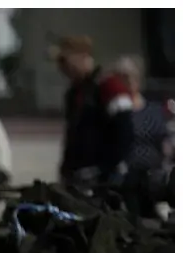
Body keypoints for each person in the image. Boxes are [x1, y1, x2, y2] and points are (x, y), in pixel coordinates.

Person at [52, 34, 137, 183]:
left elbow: (125, 133)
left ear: (83, 56)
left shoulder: (109, 87)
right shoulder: (74, 92)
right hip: (77, 177)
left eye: (64, 61)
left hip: (105, 179)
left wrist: (104, 168)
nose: (61, 68)